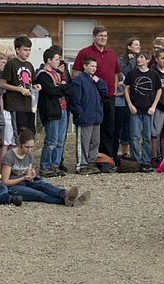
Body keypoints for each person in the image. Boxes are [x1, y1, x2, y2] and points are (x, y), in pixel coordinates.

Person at [0, 128, 83, 206]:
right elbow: (5, 182)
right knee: (39, 195)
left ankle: (65, 194)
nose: (29, 150)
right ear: (20, 144)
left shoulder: (28, 155)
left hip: (25, 182)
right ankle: (68, 202)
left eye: (32, 147)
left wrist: (31, 175)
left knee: (44, 185)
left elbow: (28, 173)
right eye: (27, 147)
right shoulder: (9, 156)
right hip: (13, 187)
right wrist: (22, 178)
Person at [73, 26, 118, 160]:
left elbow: (116, 73)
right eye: (100, 35)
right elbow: (76, 73)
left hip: (109, 97)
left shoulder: (111, 53)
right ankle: (88, 159)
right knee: (91, 132)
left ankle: (106, 159)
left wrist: (114, 87)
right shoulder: (84, 53)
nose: (103, 38)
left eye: (105, 35)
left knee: (108, 130)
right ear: (94, 37)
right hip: (92, 99)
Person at [35, 46, 71, 177]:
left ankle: (55, 164)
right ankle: (45, 166)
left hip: (62, 108)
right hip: (51, 110)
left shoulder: (58, 73)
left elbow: (68, 88)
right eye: (56, 59)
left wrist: (61, 86)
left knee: (60, 140)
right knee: (52, 140)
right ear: (49, 60)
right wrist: (61, 87)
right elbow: (52, 91)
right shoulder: (43, 75)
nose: (59, 61)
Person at [123, 51, 161, 170]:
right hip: (135, 110)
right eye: (137, 57)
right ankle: (136, 161)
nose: (138, 59)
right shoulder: (132, 74)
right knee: (134, 137)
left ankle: (145, 161)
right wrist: (130, 104)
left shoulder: (154, 74)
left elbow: (159, 90)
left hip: (148, 110)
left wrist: (153, 106)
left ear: (148, 60)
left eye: (141, 57)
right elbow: (126, 88)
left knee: (147, 138)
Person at [70, 56, 106, 175]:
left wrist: (99, 81)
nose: (94, 68)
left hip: (96, 117)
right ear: (85, 66)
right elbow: (74, 100)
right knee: (84, 142)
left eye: (95, 66)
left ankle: (91, 162)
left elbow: (104, 92)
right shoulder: (79, 80)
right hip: (85, 117)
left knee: (95, 141)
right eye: (92, 66)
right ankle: (82, 165)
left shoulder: (95, 80)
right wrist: (79, 113)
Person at [0, 36, 37, 136]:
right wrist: (19, 89)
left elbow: (32, 83)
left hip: (28, 105)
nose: (27, 52)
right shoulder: (11, 64)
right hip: (16, 105)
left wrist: (36, 87)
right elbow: (2, 84)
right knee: (20, 134)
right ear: (17, 49)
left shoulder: (29, 65)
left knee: (30, 133)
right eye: (25, 50)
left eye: (29, 50)